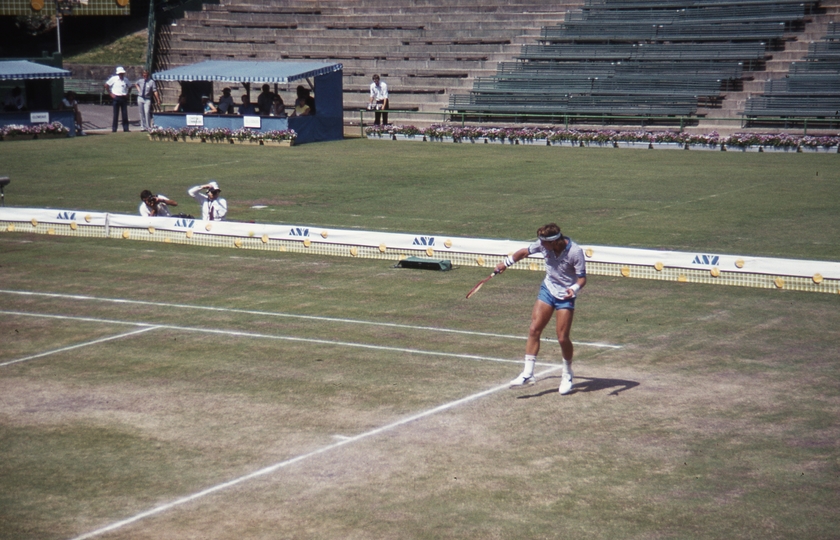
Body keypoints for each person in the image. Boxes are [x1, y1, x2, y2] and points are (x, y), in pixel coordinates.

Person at [498, 223, 586, 396]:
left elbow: (582, 279)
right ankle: (528, 374)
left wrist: (574, 289)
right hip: (548, 290)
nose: (540, 245)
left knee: (562, 338)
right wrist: (505, 263)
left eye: (543, 242)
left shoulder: (575, 252)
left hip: (566, 296)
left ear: (554, 242)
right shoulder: (543, 245)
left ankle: (567, 375)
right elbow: (524, 252)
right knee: (534, 329)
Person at [104, 66, 131, 132]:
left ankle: (126, 128)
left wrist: (128, 93)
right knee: (116, 114)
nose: (121, 75)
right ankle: (114, 128)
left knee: (124, 114)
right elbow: (106, 85)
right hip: (116, 97)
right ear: (118, 74)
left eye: (122, 73)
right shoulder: (114, 79)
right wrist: (110, 93)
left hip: (123, 97)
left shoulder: (125, 79)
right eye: (120, 74)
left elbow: (130, 86)